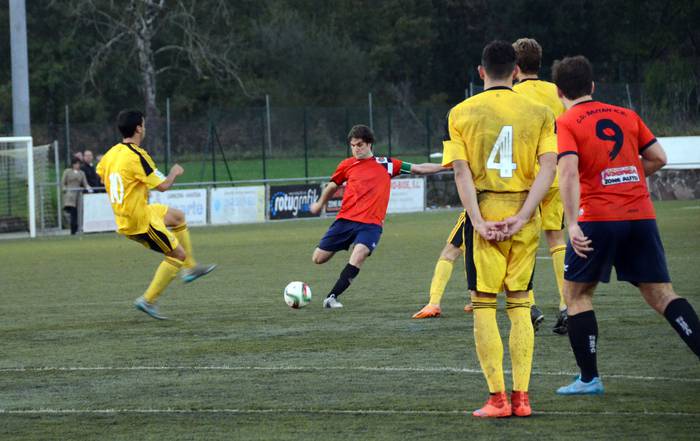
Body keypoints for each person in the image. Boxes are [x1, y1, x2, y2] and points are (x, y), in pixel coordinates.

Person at [552, 56, 700, 395]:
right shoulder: (627, 115)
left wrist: (572, 223)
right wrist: (628, 180)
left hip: (599, 220)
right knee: (663, 295)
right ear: (592, 86)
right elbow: (659, 157)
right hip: (641, 216)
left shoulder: (567, 122)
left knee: (576, 295)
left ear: (559, 91)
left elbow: (569, 172)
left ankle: (589, 379)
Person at [442, 40, 557, 417]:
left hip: (486, 208)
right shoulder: (540, 111)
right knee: (521, 303)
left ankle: (497, 399)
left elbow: (460, 171)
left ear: (481, 72)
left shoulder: (460, 112)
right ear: (515, 71)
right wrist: (523, 216)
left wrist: (476, 220)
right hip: (525, 212)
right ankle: (522, 399)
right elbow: (549, 167)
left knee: (484, 305)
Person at [96, 109, 216, 320]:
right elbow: (163, 185)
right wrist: (175, 172)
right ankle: (148, 300)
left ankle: (190, 269)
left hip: (135, 212)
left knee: (177, 217)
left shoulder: (111, 153)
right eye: (144, 123)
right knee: (176, 255)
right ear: (139, 128)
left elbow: (101, 175)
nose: (145, 127)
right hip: (138, 221)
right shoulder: (137, 156)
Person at [310, 124, 445, 309]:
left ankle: (332, 297)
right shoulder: (347, 165)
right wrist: (319, 203)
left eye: (359, 145)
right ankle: (340, 252)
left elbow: (419, 168)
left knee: (360, 254)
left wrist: (448, 165)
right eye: (352, 145)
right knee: (318, 258)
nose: (356, 149)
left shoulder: (387, 164)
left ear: (369, 144)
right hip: (345, 221)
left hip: (371, 225)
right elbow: (332, 186)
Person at [512, 37, 569, 334]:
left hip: (524, 178)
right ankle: (566, 305)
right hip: (556, 174)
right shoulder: (555, 92)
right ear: (540, 62)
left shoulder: (510, 94)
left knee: (523, 243)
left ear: (515, 66)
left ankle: (528, 305)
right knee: (556, 239)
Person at [411, 212, 471, 319]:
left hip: (478, 212)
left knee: (448, 256)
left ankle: (433, 304)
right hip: (506, 214)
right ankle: (479, 299)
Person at [61, 157, 92, 235]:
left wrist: (90, 189)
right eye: (76, 164)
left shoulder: (81, 173)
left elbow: (85, 183)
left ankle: (76, 228)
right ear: (73, 164)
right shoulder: (67, 172)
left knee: (77, 213)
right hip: (70, 195)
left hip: (78, 195)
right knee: (72, 212)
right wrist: (64, 189)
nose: (77, 165)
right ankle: (72, 228)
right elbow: (63, 182)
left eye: (78, 164)